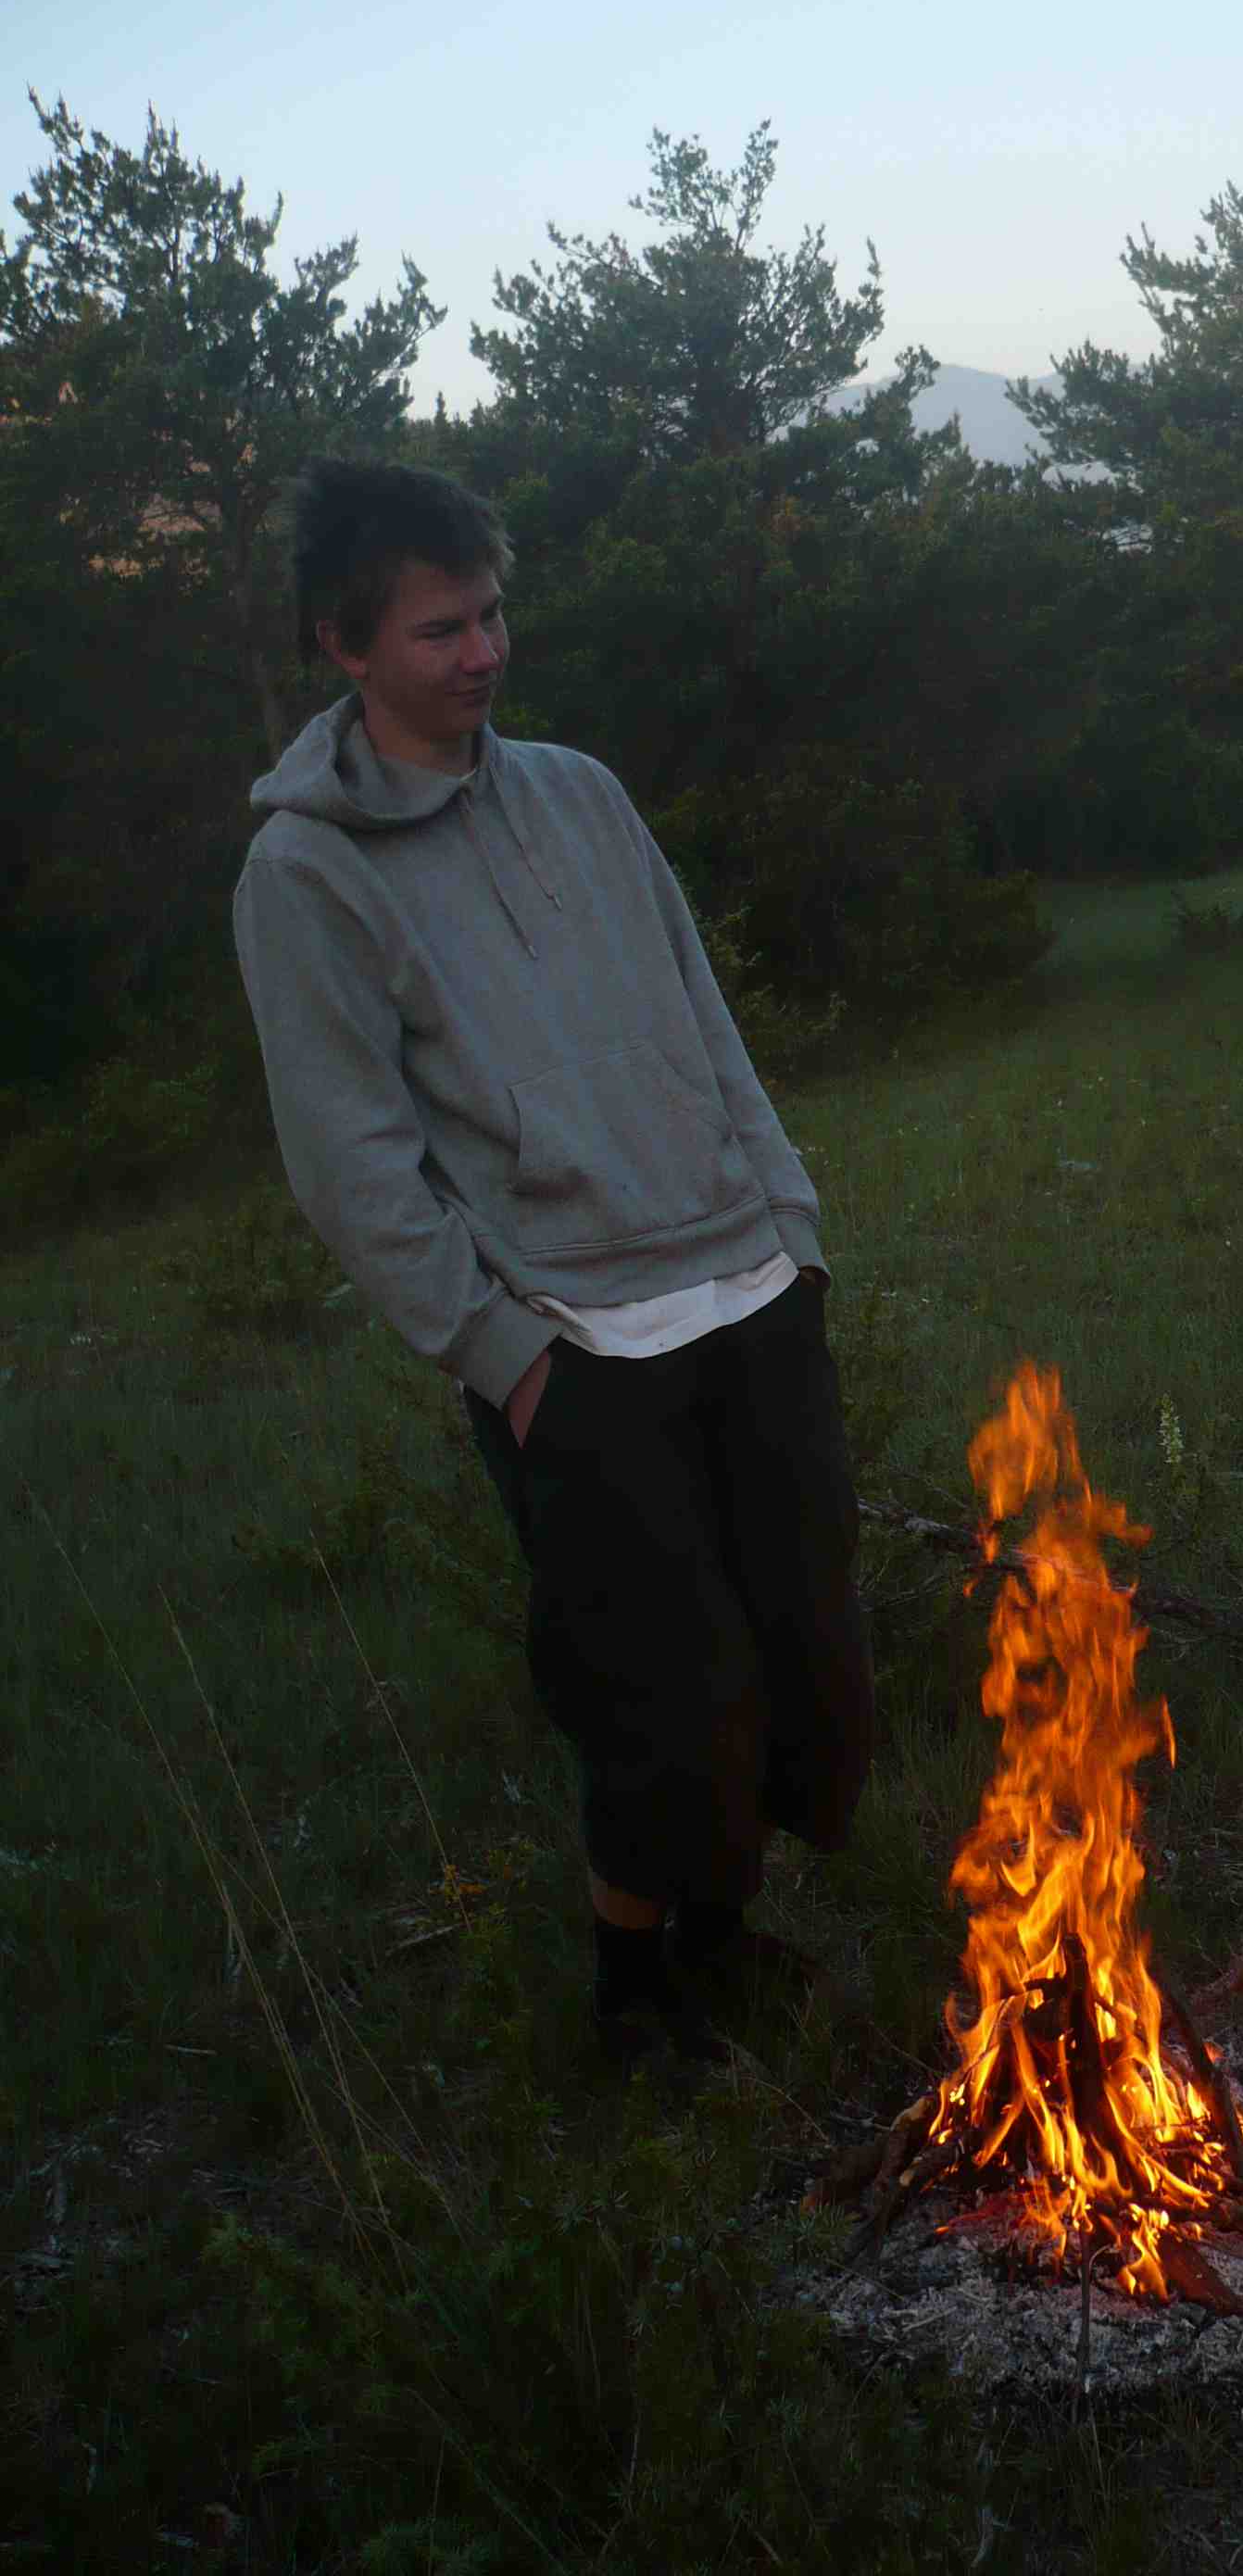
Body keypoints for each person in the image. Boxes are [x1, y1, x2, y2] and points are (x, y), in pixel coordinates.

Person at [232, 457, 873, 2067]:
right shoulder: (306, 875)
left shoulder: (582, 793)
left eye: (493, 615)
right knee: (662, 1692)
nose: (484, 653)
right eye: (441, 629)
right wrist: (500, 1355)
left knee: (802, 1657)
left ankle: (724, 1939)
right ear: (344, 645)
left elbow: (700, 1014)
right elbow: (350, 1162)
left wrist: (789, 1226)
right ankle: (632, 1997)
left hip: (745, 1284)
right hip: (569, 1337)